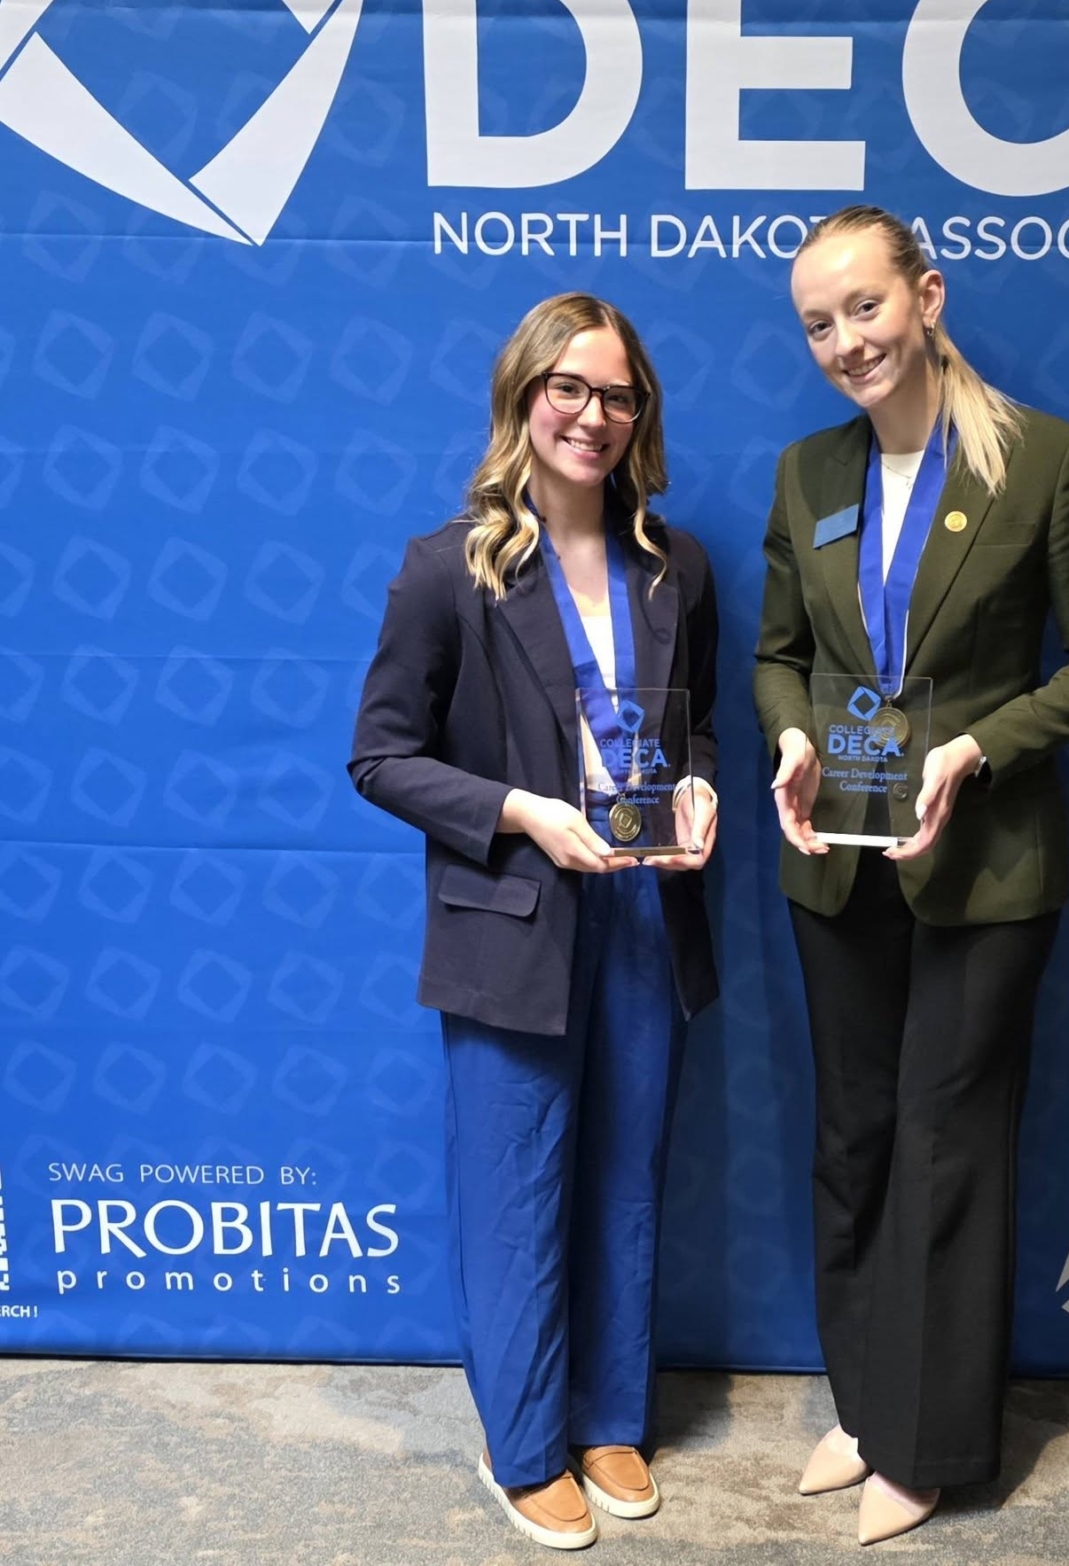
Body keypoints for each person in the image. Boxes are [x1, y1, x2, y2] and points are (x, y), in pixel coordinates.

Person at [754, 205, 1069, 1546]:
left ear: (926, 294)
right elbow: (777, 650)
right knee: (852, 1139)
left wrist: (976, 747)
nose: (844, 339)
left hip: (983, 868)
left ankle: (927, 1444)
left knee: (946, 1144)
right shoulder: (809, 473)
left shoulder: (1042, 459)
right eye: (818, 321)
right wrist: (795, 736)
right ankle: (867, 1404)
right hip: (839, 863)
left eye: (864, 306)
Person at [350, 293, 719, 1551]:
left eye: (617, 395)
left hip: (646, 915)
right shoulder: (445, 569)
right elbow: (380, 759)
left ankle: (610, 1415)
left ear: (640, 415)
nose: (593, 416)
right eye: (568, 388)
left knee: (625, 1184)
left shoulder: (677, 566)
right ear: (522, 398)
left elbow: (696, 724)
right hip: (512, 915)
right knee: (515, 1192)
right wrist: (517, 809)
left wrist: (706, 779)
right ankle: (522, 1445)